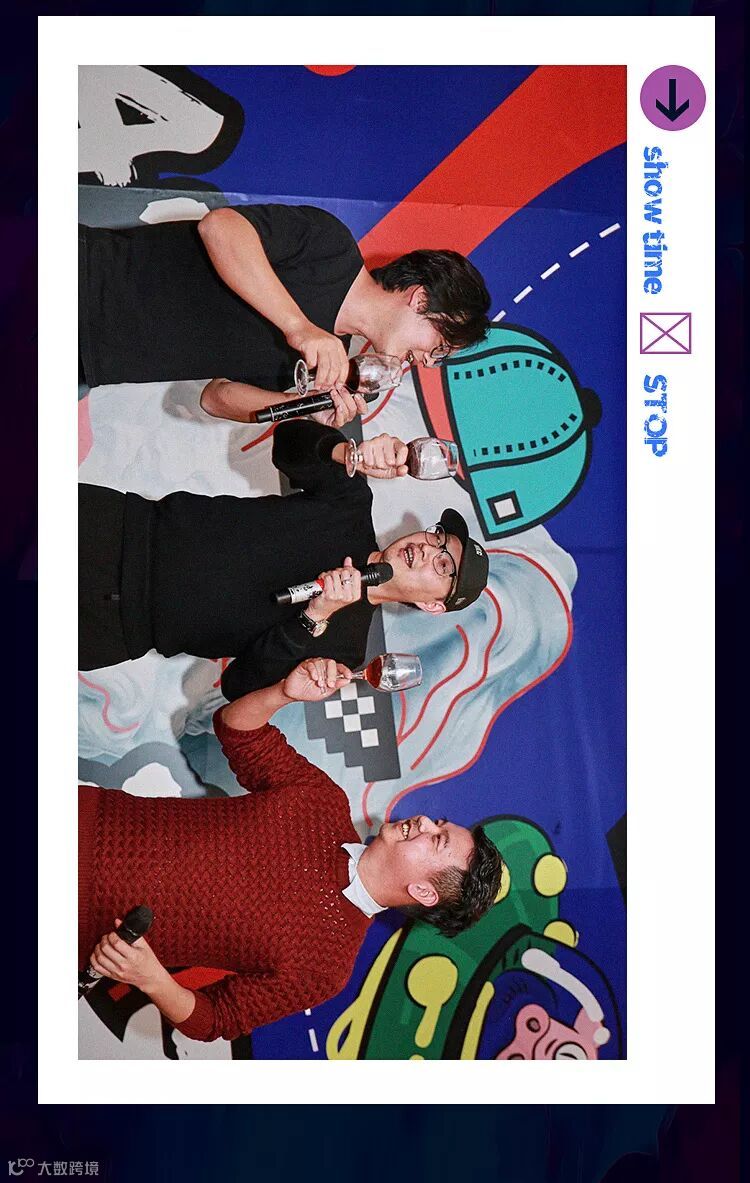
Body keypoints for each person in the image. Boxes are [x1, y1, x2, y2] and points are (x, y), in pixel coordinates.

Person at [80, 657, 504, 1043]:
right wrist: (284, 693)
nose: (426, 822)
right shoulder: (324, 802)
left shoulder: (326, 967)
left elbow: (216, 1020)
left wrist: (151, 978)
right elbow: (238, 730)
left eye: (437, 839)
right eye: (439, 823)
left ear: (425, 892)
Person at [78, 419, 490, 695]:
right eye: (437, 537)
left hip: (118, 627)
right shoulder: (350, 503)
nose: (428, 548)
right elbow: (289, 442)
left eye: (443, 565)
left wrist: (314, 616)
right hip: (116, 529)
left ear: (432, 605)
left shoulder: (344, 652)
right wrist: (347, 454)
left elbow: (239, 686)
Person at [78, 202, 491, 425]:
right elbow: (220, 227)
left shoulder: (327, 363)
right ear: (421, 300)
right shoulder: (331, 247)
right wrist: (298, 327)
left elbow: (216, 398)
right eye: (440, 346)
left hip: (89, 362)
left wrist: (302, 406)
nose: (426, 362)